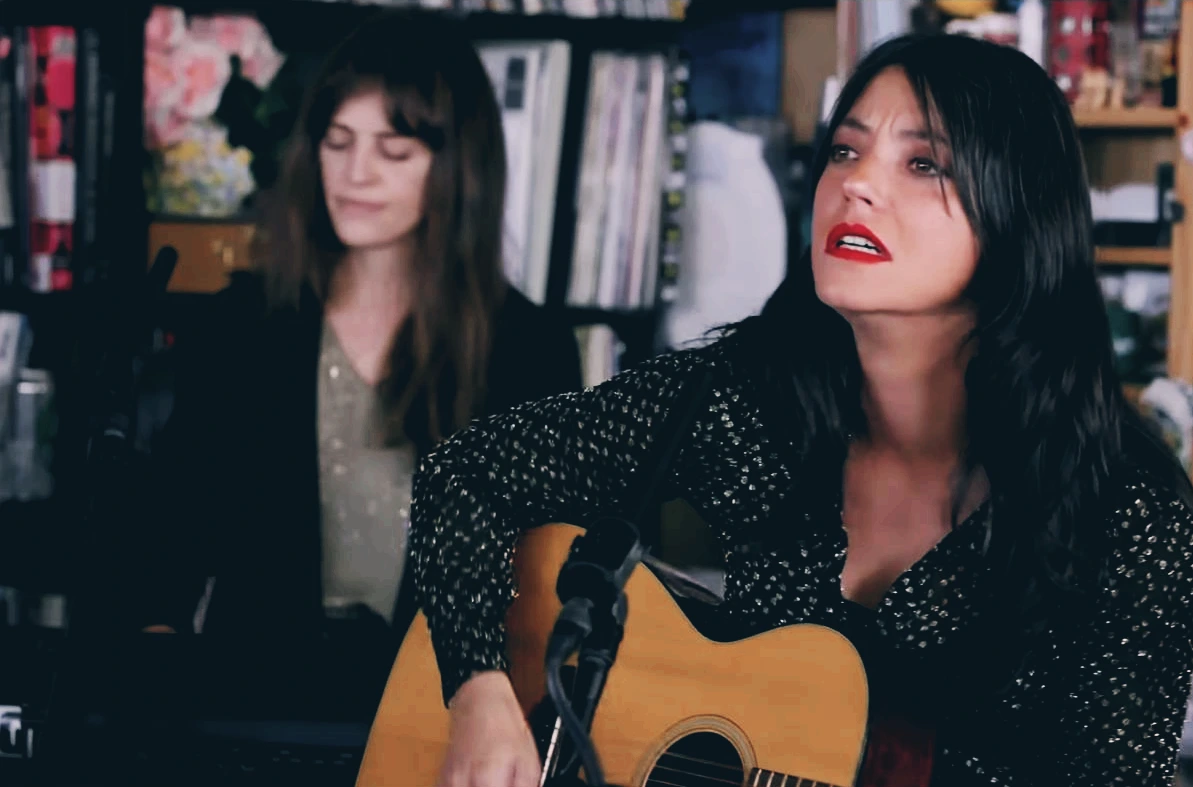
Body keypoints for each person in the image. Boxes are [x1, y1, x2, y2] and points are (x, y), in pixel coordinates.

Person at [406, 33, 1193, 787]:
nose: (856, 183)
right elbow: (464, 475)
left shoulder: (1127, 515)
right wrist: (478, 692)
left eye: (922, 163)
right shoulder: (746, 398)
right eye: (844, 150)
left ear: (1018, 215)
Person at [133, 10, 582, 663]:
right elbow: (167, 544)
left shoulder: (528, 348)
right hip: (253, 695)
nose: (355, 174)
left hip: (437, 706)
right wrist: (154, 651)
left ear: (458, 168)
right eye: (338, 142)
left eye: (393, 151)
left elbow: (549, 583)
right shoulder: (246, 324)